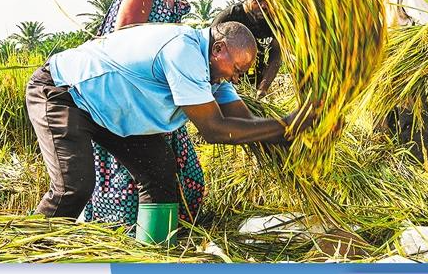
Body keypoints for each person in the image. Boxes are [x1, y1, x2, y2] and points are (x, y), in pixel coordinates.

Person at [26, 21, 314, 219]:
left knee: (160, 174)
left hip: (112, 109)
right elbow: (215, 129)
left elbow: (246, 124)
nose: (236, 78)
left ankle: (153, 257)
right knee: (73, 188)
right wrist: (287, 125)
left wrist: (296, 141)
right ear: (218, 49)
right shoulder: (183, 50)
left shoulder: (215, 74)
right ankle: (29, 260)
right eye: (237, 69)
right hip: (65, 91)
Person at [84, 0, 205, 228]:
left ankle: (168, 230)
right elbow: (124, 40)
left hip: (155, 98)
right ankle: (123, 237)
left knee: (184, 172)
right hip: (130, 97)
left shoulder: (175, 0)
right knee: (132, 177)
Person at [372, 0, 428, 167]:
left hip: (407, 52)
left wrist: (417, 52)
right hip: (386, 56)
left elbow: (421, 16)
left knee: (411, 116)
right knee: (383, 116)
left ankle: (421, 170)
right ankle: (387, 170)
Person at [212, 0, 282, 98]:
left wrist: (263, 89)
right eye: (258, 0)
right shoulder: (228, 18)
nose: (264, 6)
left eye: (269, 0)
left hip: (256, 86)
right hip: (227, 87)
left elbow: (276, 56)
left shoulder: (274, 21)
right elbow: (209, 53)